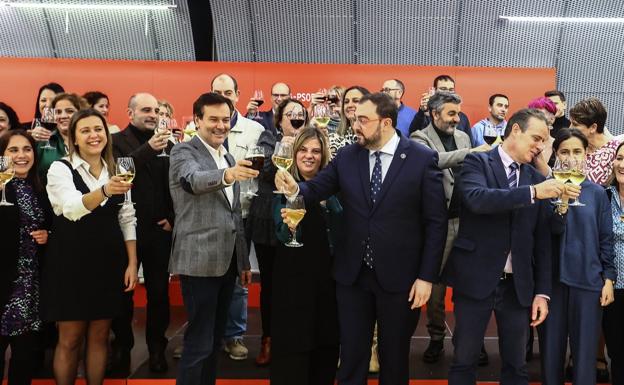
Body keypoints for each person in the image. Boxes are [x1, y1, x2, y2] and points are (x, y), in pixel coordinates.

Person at [275, 92, 448, 385]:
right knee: (352, 357)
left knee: (394, 360)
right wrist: (295, 190)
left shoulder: (421, 159)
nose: (355, 125)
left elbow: (436, 222)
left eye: (363, 120)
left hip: (401, 279)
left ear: (386, 123)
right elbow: (318, 187)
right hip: (352, 276)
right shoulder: (347, 155)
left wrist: (427, 277)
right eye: (354, 118)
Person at [444, 108, 566, 385]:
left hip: (517, 286)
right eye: (536, 139)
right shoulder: (477, 163)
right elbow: (478, 199)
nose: (539, 147)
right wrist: (533, 193)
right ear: (515, 131)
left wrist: (543, 293)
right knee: (464, 361)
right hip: (475, 278)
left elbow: (543, 242)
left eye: (544, 143)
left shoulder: (536, 178)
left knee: (516, 366)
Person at [42, 108, 138, 385]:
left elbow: (127, 216)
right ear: (73, 138)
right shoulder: (60, 168)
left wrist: (132, 263)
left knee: (100, 336)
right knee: (70, 339)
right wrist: (106, 190)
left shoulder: (116, 169)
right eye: (85, 130)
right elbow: (71, 208)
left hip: (108, 261)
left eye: (98, 129)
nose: (94, 135)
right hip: (70, 261)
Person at [168, 92, 255, 385]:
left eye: (225, 119)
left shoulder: (227, 155)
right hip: (199, 261)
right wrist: (228, 175)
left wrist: (243, 261)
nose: (220, 125)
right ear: (197, 120)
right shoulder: (184, 151)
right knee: (199, 342)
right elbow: (192, 181)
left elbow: (234, 216)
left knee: (214, 341)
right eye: (213, 119)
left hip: (227, 262)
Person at [411, 92, 490, 365]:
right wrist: (471, 153)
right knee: (434, 287)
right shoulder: (418, 138)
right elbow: (433, 160)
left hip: (466, 222)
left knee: (469, 285)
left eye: (458, 113)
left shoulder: (464, 137)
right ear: (434, 114)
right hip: (438, 225)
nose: (458, 119)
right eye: (451, 114)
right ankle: (435, 338)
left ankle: (472, 341)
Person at [538, 128, 615, 385]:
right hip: (553, 285)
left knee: (585, 360)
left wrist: (608, 278)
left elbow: (606, 239)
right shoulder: (545, 190)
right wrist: (560, 203)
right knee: (551, 355)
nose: (571, 158)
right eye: (565, 152)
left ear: (586, 155)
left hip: (589, 283)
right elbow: (548, 234)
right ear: (556, 155)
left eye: (577, 152)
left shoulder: (598, 193)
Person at [109, 93, 174, 373]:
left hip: (159, 231)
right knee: (123, 294)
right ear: (130, 112)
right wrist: (149, 148)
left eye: (157, 110)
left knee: (159, 294)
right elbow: (120, 172)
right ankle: (122, 349)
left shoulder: (169, 144)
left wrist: (173, 218)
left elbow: (176, 185)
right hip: (126, 233)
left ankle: (157, 349)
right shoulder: (114, 142)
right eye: (146, 109)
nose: (153, 114)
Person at [271, 127, 341, 385]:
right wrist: (290, 225)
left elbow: (341, 222)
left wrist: (322, 199)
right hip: (293, 283)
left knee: (326, 347)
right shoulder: (281, 185)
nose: (309, 156)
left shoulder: (334, 188)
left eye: (315, 151)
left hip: (328, 281)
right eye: (303, 150)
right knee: (293, 353)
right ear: (294, 153)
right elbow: (280, 233)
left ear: (324, 156)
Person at [246, 97, 309, 366]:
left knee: (299, 283)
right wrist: (283, 148)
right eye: (290, 113)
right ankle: (268, 339)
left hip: (301, 218)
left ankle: (296, 339)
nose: (296, 117)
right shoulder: (267, 139)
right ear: (280, 119)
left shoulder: (311, 142)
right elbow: (263, 173)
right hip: (268, 221)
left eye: (300, 113)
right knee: (271, 284)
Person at [211, 73, 264, 360]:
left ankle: (234, 336)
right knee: (208, 280)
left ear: (238, 94)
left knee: (239, 279)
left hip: (242, 214)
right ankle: (208, 335)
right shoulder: (198, 131)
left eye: (228, 92)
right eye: (217, 91)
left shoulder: (255, 129)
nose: (223, 96)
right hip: (211, 216)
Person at [0, 130, 51, 385]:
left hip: (30, 283)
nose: (21, 155)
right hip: (4, 281)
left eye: (27, 149)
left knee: (24, 356)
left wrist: (47, 234)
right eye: (13, 150)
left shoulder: (40, 187)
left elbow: (53, 225)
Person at [32, 93, 86, 184]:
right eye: (58, 112)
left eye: (69, 111)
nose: (63, 116)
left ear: (81, 113)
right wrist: (29, 139)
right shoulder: (42, 141)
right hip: (47, 196)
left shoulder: (90, 141)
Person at [604, 141, 624, 385]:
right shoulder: (602, 196)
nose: (622, 164)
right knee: (617, 353)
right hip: (612, 286)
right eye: (619, 158)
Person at [570, 98, 619, 187]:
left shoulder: (616, 152)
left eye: (575, 124)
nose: (570, 128)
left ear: (593, 127)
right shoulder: (574, 147)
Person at [408, 75, 472, 142]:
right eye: (443, 89)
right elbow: (413, 134)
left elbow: (469, 144)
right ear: (434, 90)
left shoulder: (462, 117)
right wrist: (422, 111)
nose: (447, 93)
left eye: (451, 90)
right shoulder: (425, 114)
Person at [328, 85, 370, 158]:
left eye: (356, 101)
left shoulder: (376, 136)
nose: (349, 105)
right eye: (346, 102)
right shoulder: (333, 138)